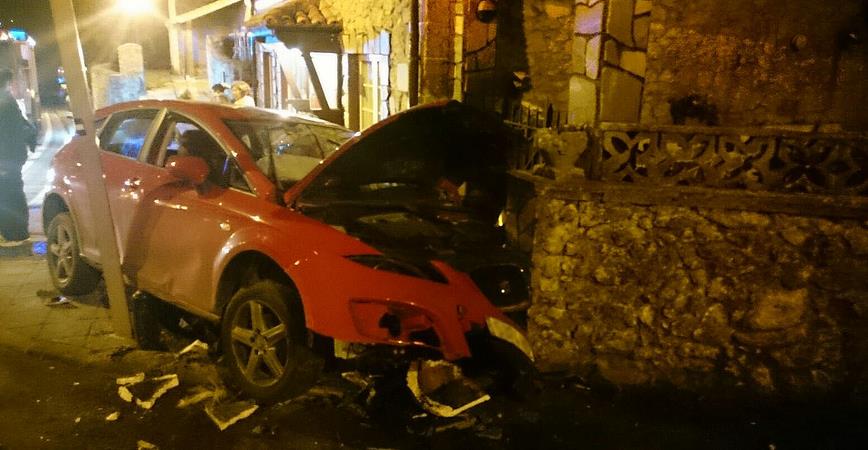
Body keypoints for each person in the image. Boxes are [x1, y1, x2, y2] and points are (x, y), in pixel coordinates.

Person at [0, 68, 37, 247]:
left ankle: (15, 234)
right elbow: (26, 127)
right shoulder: (8, 101)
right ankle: (16, 232)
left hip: (5, 159)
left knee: (8, 195)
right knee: (12, 193)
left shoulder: (3, 102)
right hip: (11, 157)